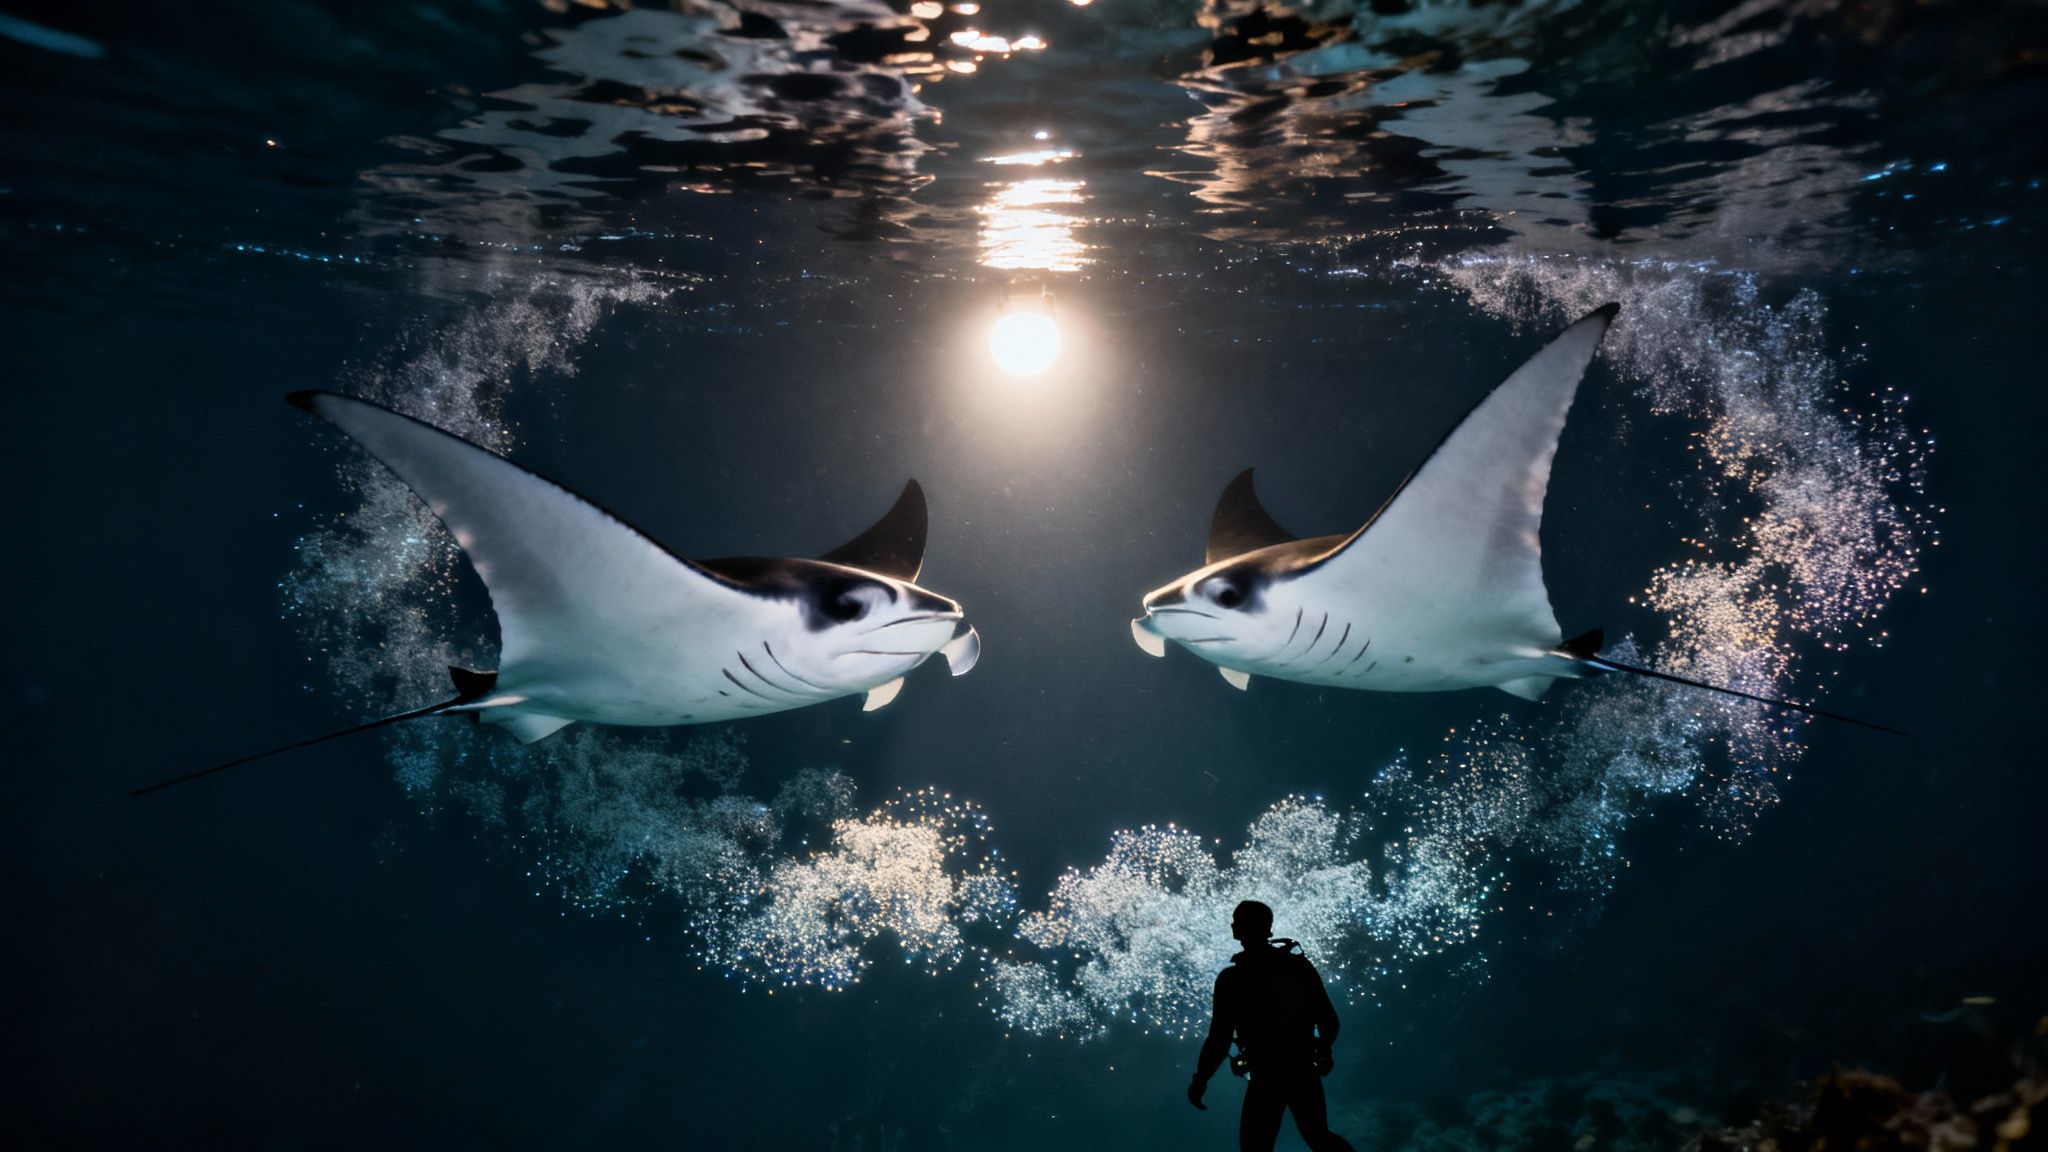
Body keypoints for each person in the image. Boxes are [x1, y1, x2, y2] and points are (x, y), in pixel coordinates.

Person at [1187, 900, 1357, 1152]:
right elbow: (1329, 1021)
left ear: (1239, 929)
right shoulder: (1298, 968)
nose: (1233, 925)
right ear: (1267, 929)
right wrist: (1321, 1049)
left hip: (1266, 1075)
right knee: (1319, 1137)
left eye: (1237, 921)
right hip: (1301, 1070)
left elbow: (1219, 1039)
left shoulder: (1232, 980)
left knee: (1256, 1147)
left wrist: (1201, 1079)